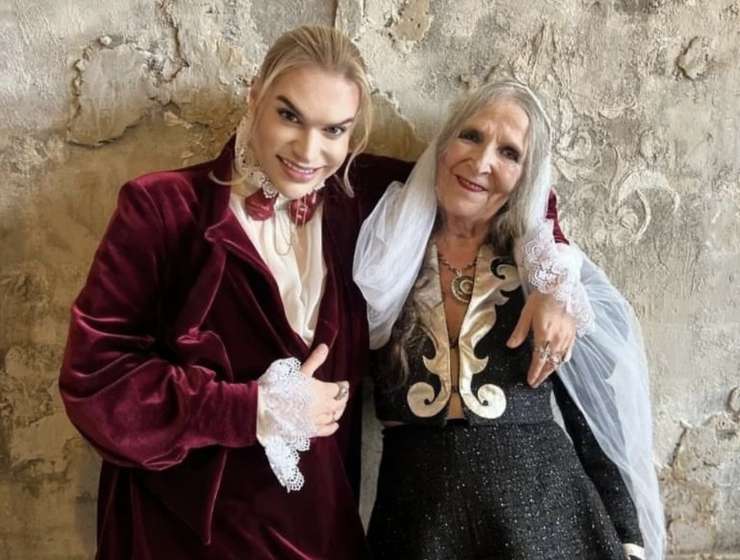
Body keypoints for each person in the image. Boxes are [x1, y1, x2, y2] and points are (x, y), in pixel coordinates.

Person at [59, 26, 575, 559]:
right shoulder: (162, 207)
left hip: (314, 534)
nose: (308, 151)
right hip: (177, 533)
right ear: (254, 96)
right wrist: (252, 409)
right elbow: (95, 382)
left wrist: (551, 280)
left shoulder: (364, 201)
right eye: (289, 116)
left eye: (334, 130)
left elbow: (493, 182)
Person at [354, 81, 665, 559]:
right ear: (443, 144)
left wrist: (628, 535)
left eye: (509, 153)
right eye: (470, 136)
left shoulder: (542, 272)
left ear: (527, 176)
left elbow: (590, 415)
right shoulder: (381, 250)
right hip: (417, 520)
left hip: (544, 521)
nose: (481, 162)